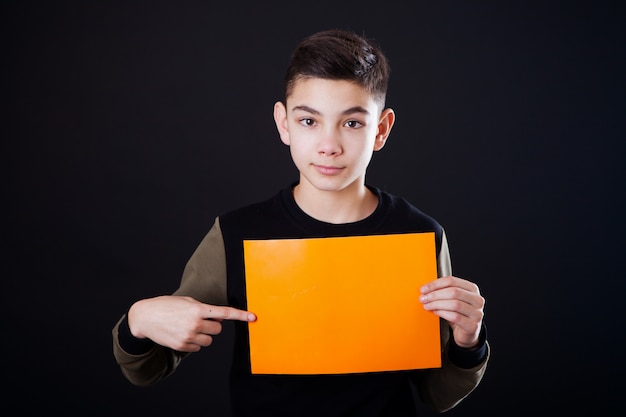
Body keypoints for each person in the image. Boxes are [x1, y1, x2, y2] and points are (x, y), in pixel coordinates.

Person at [112, 28, 489, 416]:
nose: (329, 145)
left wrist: (468, 342)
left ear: (381, 129)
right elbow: (148, 368)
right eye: (309, 121)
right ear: (284, 123)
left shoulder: (419, 234)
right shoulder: (237, 234)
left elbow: (438, 394)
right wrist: (137, 322)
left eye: (352, 123)